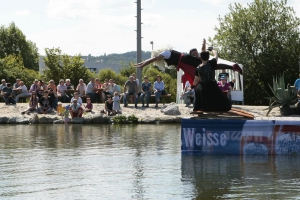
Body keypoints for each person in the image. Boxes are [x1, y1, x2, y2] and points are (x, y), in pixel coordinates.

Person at [135, 39, 243, 86]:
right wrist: (141, 64)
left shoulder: (165, 53)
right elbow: (153, 59)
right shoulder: (165, 55)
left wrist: (142, 65)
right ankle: (233, 66)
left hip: (186, 61)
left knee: (210, 65)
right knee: (209, 66)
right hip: (184, 63)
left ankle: (232, 66)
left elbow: (152, 60)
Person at [192, 43, 231, 111]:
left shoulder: (198, 68)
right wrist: (212, 49)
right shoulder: (212, 63)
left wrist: (193, 85)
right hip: (212, 85)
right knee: (225, 101)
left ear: (201, 57)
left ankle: (200, 107)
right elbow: (216, 55)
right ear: (208, 57)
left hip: (202, 87)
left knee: (198, 90)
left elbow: (196, 79)